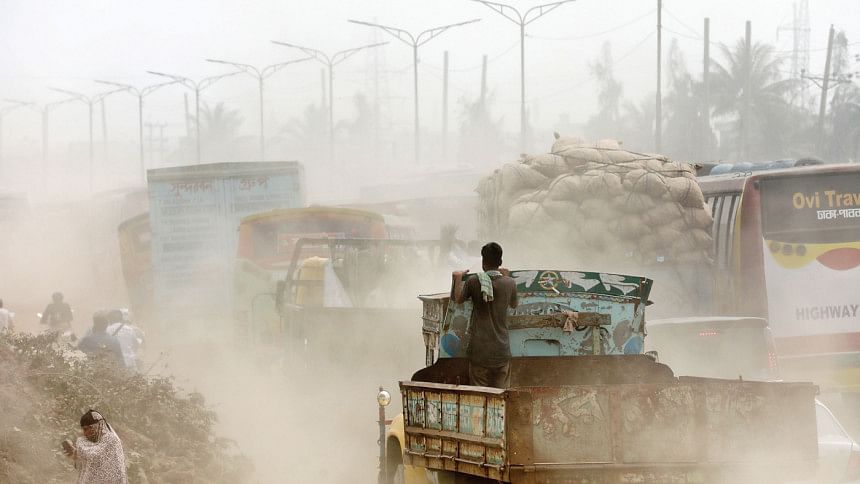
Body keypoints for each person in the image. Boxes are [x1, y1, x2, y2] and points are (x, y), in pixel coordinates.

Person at [452, 242, 518, 388]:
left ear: (483, 263)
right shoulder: (510, 283)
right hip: (502, 351)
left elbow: (458, 299)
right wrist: (506, 276)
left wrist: (457, 277)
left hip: (479, 353)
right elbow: (514, 304)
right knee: (501, 396)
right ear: (500, 261)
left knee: (480, 395)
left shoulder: (474, 281)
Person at [63, 409, 128, 484]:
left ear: (96, 426)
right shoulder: (89, 443)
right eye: (83, 429)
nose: (84, 433)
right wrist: (74, 455)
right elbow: (85, 468)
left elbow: (94, 456)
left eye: (86, 429)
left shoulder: (111, 439)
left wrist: (79, 448)